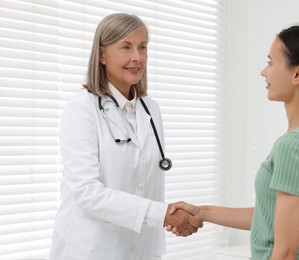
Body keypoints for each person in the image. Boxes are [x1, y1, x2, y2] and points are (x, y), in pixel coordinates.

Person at [168, 23, 299, 260]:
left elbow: (286, 252)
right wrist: (202, 212)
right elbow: (269, 217)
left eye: (270, 62)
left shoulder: (295, 145)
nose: (264, 71)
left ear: (298, 74)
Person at [49, 13, 202, 260]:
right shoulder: (82, 109)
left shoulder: (150, 109)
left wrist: (164, 217)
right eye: (126, 47)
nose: (137, 57)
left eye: (143, 47)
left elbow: (149, 186)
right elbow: (86, 190)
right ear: (101, 55)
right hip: (90, 250)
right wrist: (162, 214)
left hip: (139, 249)